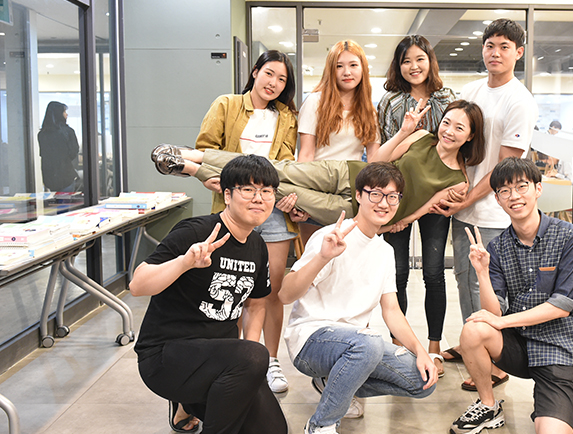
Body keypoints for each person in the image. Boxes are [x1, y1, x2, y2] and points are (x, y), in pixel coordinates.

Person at [153, 100, 485, 232]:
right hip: (349, 172)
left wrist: (389, 225)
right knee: (276, 169)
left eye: (459, 127)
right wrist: (404, 131)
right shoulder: (422, 137)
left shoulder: (458, 181)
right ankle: (193, 156)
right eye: (447, 122)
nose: (449, 130)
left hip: (364, 208)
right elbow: (379, 160)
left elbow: (419, 211)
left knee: (276, 189)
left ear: (470, 136)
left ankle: (190, 168)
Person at [130, 155, 288, 434]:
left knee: (274, 430)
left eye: (266, 191)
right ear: (227, 195)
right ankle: (187, 400)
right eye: (248, 189)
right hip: (166, 358)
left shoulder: (257, 245)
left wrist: (249, 366)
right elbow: (137, 285)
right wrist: (184, 263)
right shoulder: (196, 232)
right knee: (252, 357)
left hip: (220, 362)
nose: (259, 198)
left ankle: (189, 403)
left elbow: (255, 305)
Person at [278, 162, 439, 434]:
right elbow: (285, 294)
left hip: (356, 344)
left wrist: (421, 351)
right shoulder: (330, 236)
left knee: (422, 380)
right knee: (369, 342)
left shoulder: (385, 252)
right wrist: (322, 258)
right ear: (359, 196)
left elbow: (392, 310)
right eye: (375, 194)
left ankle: (331, 383)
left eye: (392, 196)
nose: (384, 203)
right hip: (311, 339)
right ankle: (321, 425)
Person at [431, 18, 538, 392]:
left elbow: (505, 164)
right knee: (464, 279)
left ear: (518, 53)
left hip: (491, 212)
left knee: (486, 287)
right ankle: (470, 344)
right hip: (463, 208)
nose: (495, 53)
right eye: (490, 45)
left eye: (504, 47)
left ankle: (495, 363)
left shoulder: (519, 100)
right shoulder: (472, 89)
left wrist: (468, 195)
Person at [182, 50, 298, 394]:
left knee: (271, 289)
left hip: (273, 209)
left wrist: (289, 195)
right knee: (230, 287)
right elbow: (206, 150)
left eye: (282, 79)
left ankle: (269, 361)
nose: (274, 83)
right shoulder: (227, 104)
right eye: (269, 74)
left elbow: (288, 164)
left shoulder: (287, 117)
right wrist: (207, 178)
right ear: (255, 72)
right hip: (232, 206)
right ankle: (231, 359)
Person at [449, 157, 573, 434]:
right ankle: (488, 405)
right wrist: (482, 272)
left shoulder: (569, 237)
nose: (514, 196)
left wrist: (502, 322)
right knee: (474, 327)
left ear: (538, 189)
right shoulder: (498, 247)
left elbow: (561, 305)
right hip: (517, 345)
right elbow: (494, 312)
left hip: (556, 350)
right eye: (505, 190)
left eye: (522, 186)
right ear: (498, 199)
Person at [376, 34, 458, 375]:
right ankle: (400, 345)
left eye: (419, 59)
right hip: (398, 195)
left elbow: (457, 144)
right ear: (398, 65)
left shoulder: (446, 98)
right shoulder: (390, 102)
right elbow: (384, 151)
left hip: (436, 195)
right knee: (396, 274)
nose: (413, 66)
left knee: (434, 272)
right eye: (406, 60)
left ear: (430, 61)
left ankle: (434, 346)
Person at [292, 40, 380, 244]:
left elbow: (374, 158)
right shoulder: (315, 102)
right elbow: (306, 153)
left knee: (350, 256)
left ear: (363, 68)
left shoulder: (369, 110)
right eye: (339, 66)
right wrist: (300, 197)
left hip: (351, 191)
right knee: (316, 254)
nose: (346, 72)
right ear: (330, 70)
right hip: (317, 188)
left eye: (353, 65)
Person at [37, 101, 80, 192]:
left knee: (54, 199)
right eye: (64, 112)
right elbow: (74, 152)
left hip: (49, 176)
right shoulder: (68, 132)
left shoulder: (42, 134)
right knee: (67, 199)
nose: (66, 114)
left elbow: (43, 154)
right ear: (58, 114)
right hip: (66, 175)